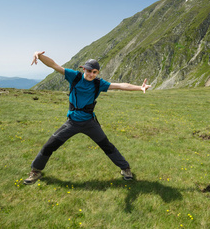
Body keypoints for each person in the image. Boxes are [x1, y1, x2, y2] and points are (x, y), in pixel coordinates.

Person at [24, 51, 151, 185]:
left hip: (90, 123)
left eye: (95, 72)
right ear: (83, 69)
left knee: (106, 146)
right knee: (50, 145)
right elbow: (55, 65)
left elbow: (120, 85)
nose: (91, 74)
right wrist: (39, 55)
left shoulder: (98, 83)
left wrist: (139, 87)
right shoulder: (74, 77)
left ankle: (125, 168)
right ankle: (36, 171)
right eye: (89, 71)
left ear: (97, 73)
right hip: (72, 122)